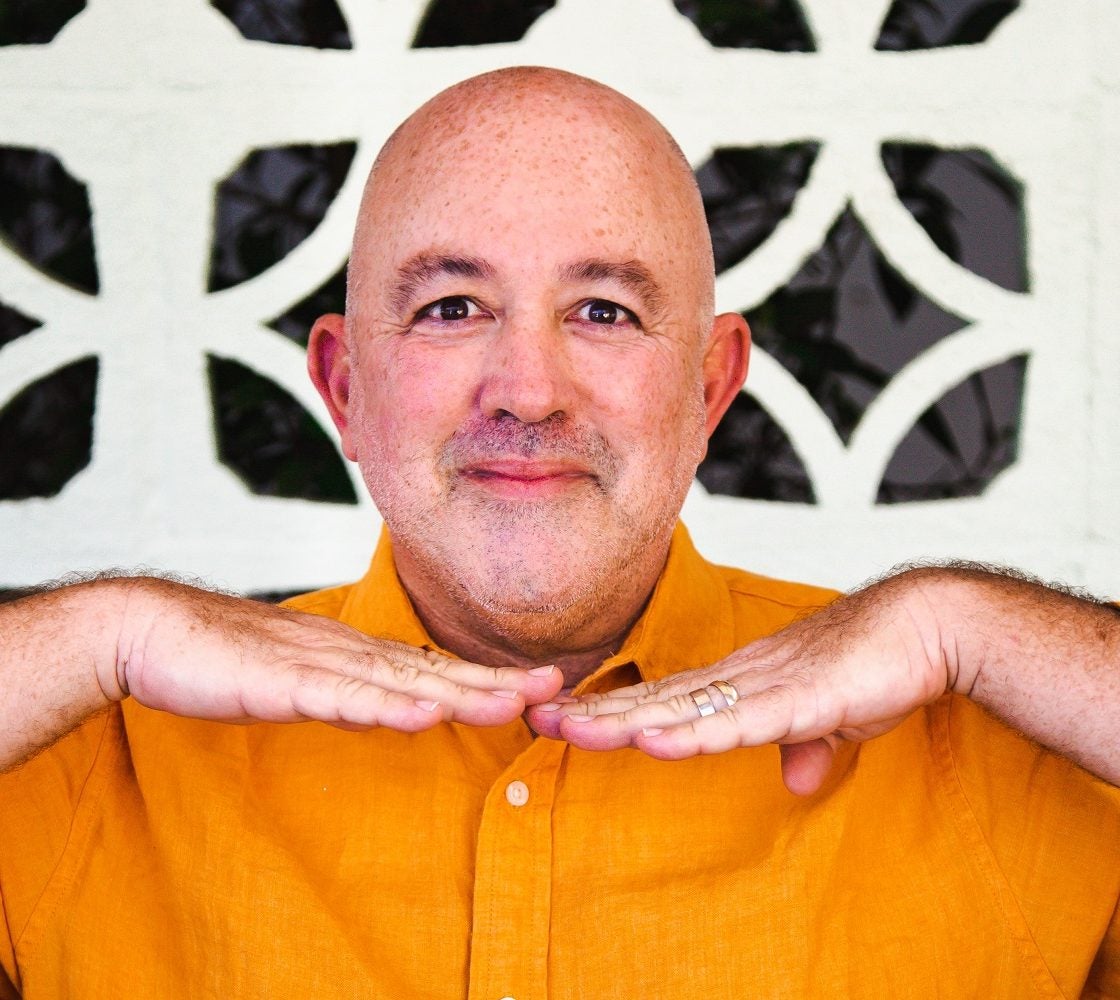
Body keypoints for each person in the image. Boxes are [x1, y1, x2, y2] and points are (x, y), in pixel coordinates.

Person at [0, 67, 1117, 998]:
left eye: (603, 311)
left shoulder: (984, 739)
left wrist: (965, 622)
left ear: (709, 392)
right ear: (344, 388)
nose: (528, 391)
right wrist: (105, 629)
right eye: (451, 307)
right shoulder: (95, 750)